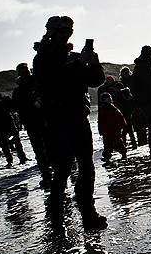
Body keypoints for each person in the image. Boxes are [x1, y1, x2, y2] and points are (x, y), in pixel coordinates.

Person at [32, 15, 107, 229]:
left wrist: (93, 63)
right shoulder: (42, 58)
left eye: (69, 32)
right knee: (63, 170)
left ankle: (88, 214)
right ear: (51, 32)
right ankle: (56, 218)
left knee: (87, 167)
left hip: (78, 118)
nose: (66, 35)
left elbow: (95, 81)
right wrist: (78, 64)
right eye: (62, 32)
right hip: (57, 120)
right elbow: (51, 83)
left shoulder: (73, 57)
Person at [12, 62, 52, 187]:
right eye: (24, 71)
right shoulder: (22, 89)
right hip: (35, 122)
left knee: (45, 148)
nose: (26, 73)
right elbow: (16, 107)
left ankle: (49, 174)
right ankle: (47, 174)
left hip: (41, 121)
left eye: (26, 71)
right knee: (42, 149)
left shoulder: (37, 83)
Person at [0, 87, 27, 167]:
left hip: (0, 125)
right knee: (15, 142)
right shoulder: (3, 100)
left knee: (6, 144)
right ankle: (21, 158)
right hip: (8, 123)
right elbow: (13, 107)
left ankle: (11, 160)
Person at [97, 93, 127, 161]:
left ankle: (123, 154)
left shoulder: (113, 108)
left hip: (115, 129)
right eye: (108, 98)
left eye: (110, 97)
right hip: (108, 130)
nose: (110, 99)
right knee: (107, 144)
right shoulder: (104, 109)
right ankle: (107, 157)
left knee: (117, 142)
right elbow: (100, 121)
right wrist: (101, 130)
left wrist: (122, 125)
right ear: (104, 100)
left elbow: (120, 117)